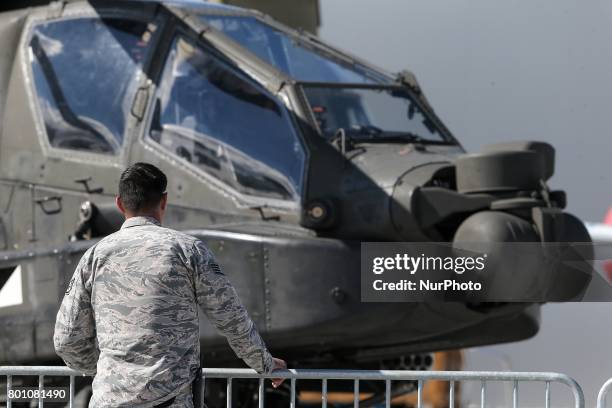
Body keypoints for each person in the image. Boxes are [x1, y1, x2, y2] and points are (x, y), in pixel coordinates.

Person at [54, 162, 286, 407]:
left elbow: (66, 339)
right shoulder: (188, 250)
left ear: (120, 204)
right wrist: (264, 363)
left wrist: (107, 373)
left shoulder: (94, 257)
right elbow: (231, 318)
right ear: (163, 201)